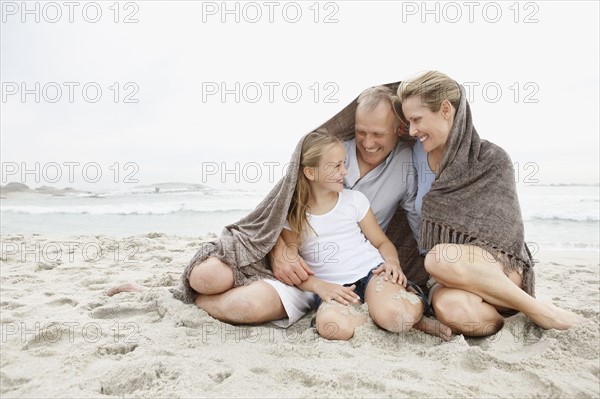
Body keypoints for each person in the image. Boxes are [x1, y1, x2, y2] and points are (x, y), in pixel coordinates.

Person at [396, 70, 587, 336]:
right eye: (409, 122)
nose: (413, 130)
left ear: (445, 109)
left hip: (498, 267)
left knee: (440, 257)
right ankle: (511, 320)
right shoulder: (416, 156)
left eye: (417, 119)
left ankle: (542, 312)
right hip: (446, 280)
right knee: (454, 311)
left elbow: (507, 235)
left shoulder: (491, 159)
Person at [191, 131, 427, 340]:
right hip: (332, 288)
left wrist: (392, 262)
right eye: (335, 166)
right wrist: (320, 287)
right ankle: (376, 318)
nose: (344, 172)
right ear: (310, 173)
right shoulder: (294, 214)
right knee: (331, 326)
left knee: (398, 313)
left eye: (343, 164)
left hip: (372, 273)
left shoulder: (354, 200)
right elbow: (293, 269)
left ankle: (404, 315)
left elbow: (381, 242)